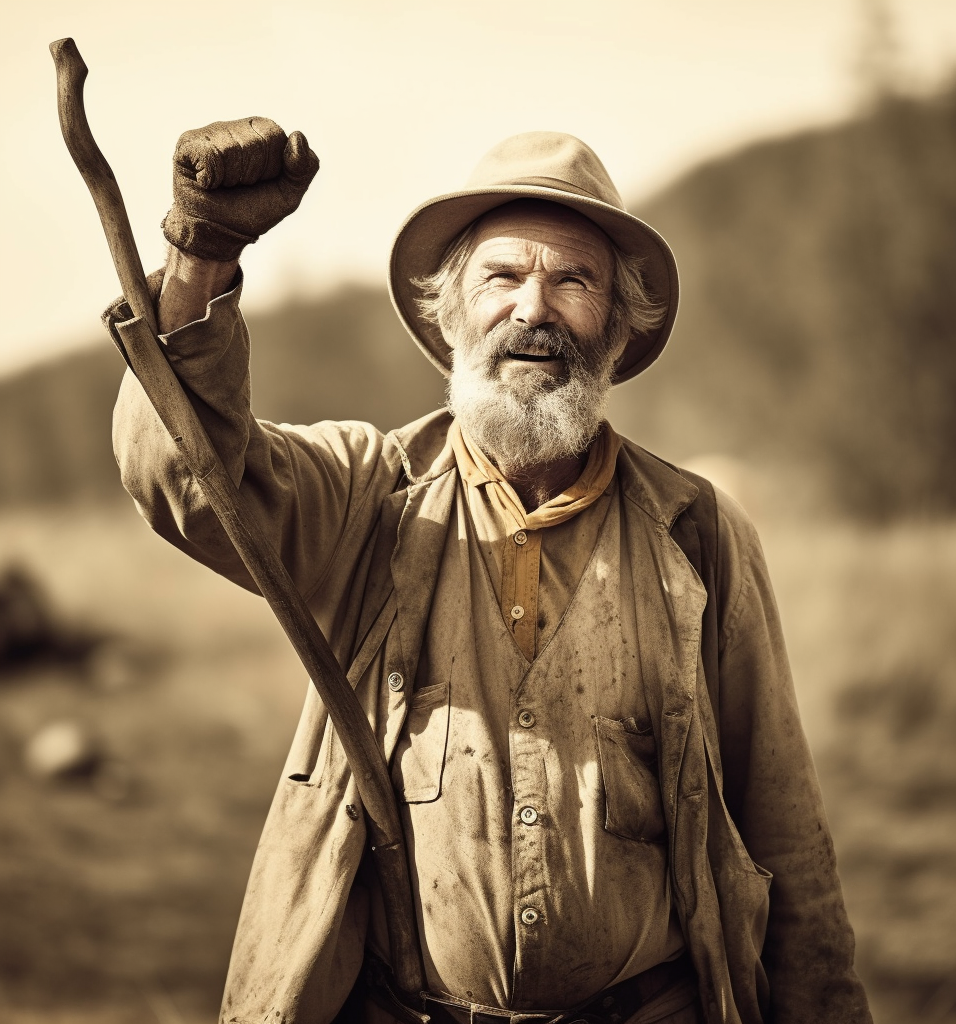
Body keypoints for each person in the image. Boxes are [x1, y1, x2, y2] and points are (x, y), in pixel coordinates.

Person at [106, 120, 873, 1024]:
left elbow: (782, 827)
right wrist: (200, 259)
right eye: (502, 277)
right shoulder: (368, 498)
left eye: (572, 280)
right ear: (450, 313)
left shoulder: (698, 533)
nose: (533, 310)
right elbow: (189, 482)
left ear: (619, 326)